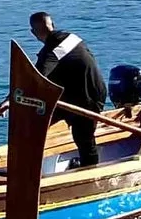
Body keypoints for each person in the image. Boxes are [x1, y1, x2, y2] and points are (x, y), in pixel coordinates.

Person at [29, 11, 108, 168]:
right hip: (81, 93)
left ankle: (90, 171)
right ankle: (28, 164)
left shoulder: (51, 52)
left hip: (87, 97)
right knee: (37, 121)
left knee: (83, 137)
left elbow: (36, 78)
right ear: (54, 25)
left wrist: (8, 100)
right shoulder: (71, 38)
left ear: (33, 33)